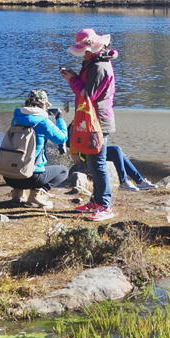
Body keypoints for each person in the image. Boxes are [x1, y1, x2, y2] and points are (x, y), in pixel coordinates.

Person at [60, 28, 118, 221]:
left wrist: (72, 79)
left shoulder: (100, 67)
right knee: (93, 164)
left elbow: (87, 95)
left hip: (98, 121)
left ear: (93, 48)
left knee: (98, 164)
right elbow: (87, 89)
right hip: (91, 119)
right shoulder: (93, 63)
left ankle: (105, 205)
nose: (82, 55)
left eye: (83, 51)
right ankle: (96, 201)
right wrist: (75, 77)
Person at [2, 89, 69, 209]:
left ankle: (17, 193)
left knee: (20, 156)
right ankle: (36, 195)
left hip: (9, 176)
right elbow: (62, 138)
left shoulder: (16, 118)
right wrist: (60, 119)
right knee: (63, 171)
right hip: (32, 178)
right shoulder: (43, 122)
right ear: (43, 105)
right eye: (46, 106)